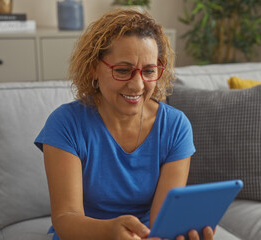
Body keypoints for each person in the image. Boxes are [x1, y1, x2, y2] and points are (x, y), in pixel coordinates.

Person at [35, 9, 215, 240]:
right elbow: (66, 220)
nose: (138, 85)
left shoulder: (175, 126)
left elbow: (162, 221)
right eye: (122, 70)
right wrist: (109, 231)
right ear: (93, 67)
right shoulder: (65, 124)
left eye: (149, 71)